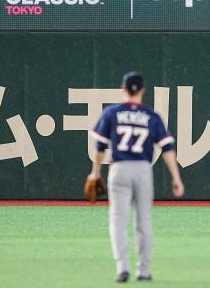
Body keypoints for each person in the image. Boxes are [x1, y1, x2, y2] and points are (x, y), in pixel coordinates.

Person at [87, 71, 184, 283]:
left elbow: (100, 146)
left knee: (118, 220)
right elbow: (167, 148)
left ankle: (122, 268)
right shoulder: (152, 116)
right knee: (143, 221)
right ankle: (143, 270)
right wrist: (176, 177)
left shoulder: (112, 113)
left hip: (119, 169)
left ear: (123, 90)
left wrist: (95, 172)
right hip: (142, 169)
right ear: (142, 90)